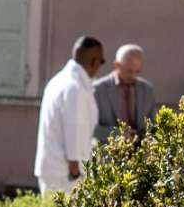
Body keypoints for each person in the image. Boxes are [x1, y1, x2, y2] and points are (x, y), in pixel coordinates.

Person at [35, 35, 104, 192]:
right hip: (66, 175)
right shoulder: (75, 88)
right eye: (101, 61)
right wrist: (76, 174)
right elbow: (74, 131)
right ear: (94, 61)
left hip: (55, 170)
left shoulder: (61, 81)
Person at [94, 43, 157, 141]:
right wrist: (118, 135)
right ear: (117, 65)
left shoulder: (147, 90)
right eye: (130, 71)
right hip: (108, 152)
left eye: (137, 72)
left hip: (140, 152)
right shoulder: (97, 90)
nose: (134, 76)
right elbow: (91, 128)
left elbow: (153, 125)